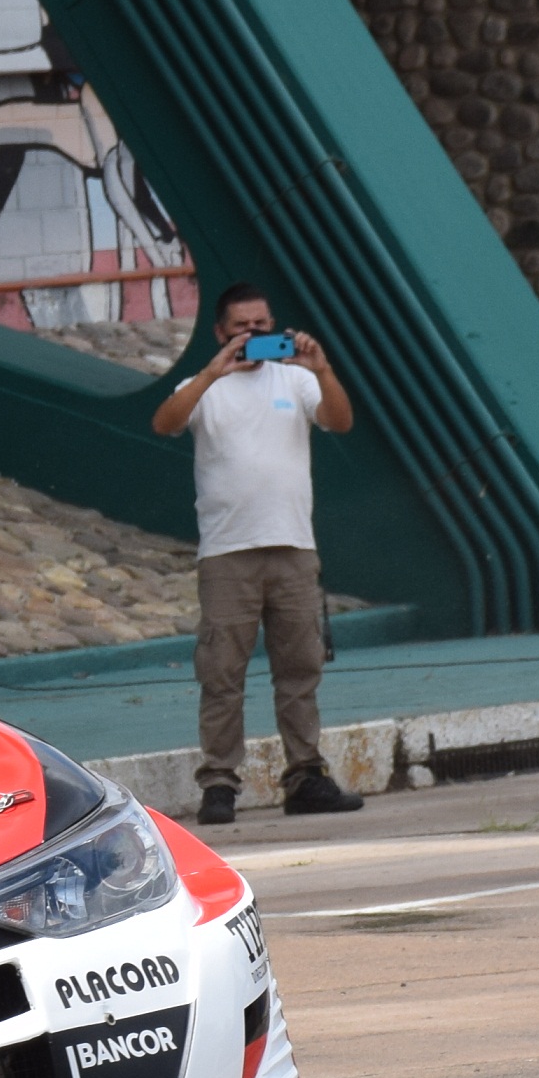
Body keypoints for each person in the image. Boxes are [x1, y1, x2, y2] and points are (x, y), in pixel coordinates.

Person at [154, 281, 364, 826]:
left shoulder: (295, 379)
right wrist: (210, 374)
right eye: (242, 326)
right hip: (227, 551)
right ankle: (220, 784)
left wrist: (322, 368)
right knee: (222, 671)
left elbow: (340, 420)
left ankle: (306, 777)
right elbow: (165, 423)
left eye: (262, 325)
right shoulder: (203, 388)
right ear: (221, 331)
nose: (254, 334)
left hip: (293, 545)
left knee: (301, 668)